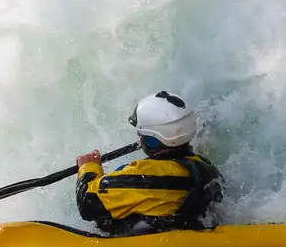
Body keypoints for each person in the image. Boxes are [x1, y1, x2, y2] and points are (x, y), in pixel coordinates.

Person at [75, 91, 223, 235]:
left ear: (152, 139)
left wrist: (88, 167)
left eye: (141, 134)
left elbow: (88, 203)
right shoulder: (204, 166)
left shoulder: (144, 175)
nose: (139, 138)